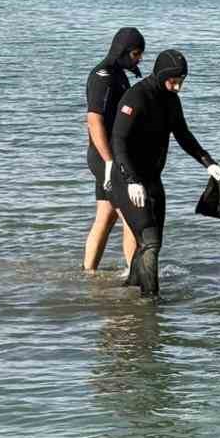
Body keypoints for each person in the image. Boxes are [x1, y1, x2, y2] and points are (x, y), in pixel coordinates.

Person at [110, 49, 220, 299]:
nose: (178, 87)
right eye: (174, 81)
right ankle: (151, 301)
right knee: (150, 242)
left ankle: (130, 290)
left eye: (182, 81)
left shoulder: (171, 101)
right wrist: (131, 180)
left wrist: (208, 162)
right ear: (161, 75)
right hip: (127, 180)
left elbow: (183, 135)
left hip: (152, 180)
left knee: (150, 244)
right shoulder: (135, 98)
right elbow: (118, 141)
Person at [82, 27, 145, 273]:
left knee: (106, 215)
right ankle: (135, 276)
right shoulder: (103, 76)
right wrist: (109, 162)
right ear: (123, 51)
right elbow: (94, 120)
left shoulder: (120, 74)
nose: (138, 59)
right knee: (132, 219)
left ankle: (88, 273)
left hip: (109, 156)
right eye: (136, 54)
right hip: (104, 157)